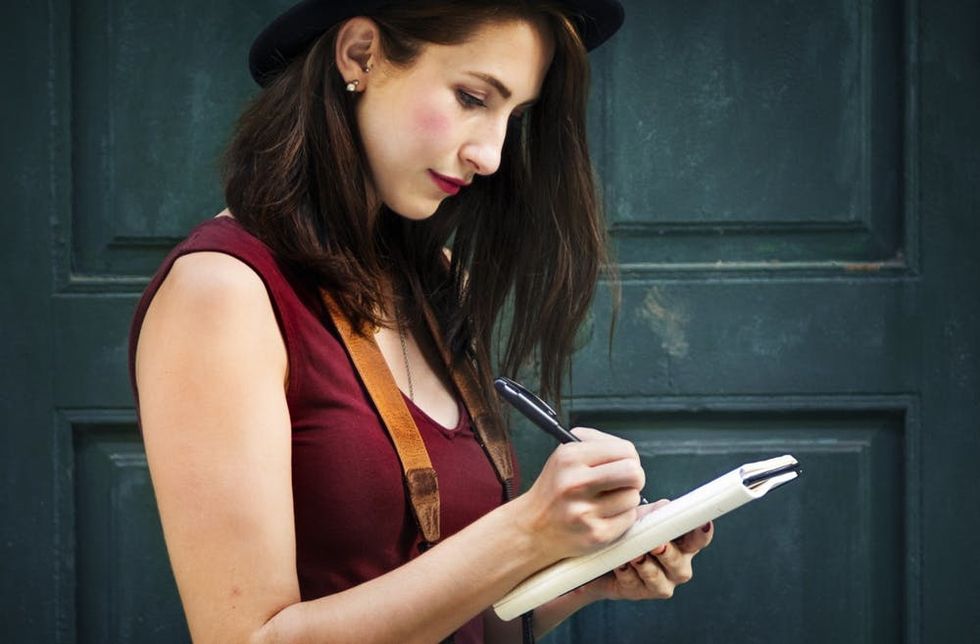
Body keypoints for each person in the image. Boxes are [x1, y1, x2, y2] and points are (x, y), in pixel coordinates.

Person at [128, 1, 715, 642]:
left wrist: (580, 572)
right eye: (471, 97)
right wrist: (526, 530)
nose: (491, 154)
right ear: (360, 56)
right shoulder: (224, 293)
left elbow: (456, 619)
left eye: (512, 116)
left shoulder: (434, 279)